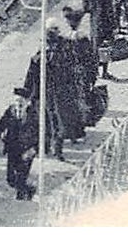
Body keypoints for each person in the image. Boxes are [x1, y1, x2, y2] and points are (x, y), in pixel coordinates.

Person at [23, 19, 82, 154]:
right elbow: (33, 72)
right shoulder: (43, 51)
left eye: (56, 30)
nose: (55, 33)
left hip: (60, 88)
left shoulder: (63, 46)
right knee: (48, 118)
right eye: (52, 30)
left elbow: (71, 65)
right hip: (47, 89)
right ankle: (49, 145)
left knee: (61, 117)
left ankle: (59, 145)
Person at [0, 86, 39, 200]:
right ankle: (29, 189)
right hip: (12, 148)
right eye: (16, 100)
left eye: (21, 101)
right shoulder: (10, 110)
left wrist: (34, 149)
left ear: (27, 101)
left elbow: (43, 133)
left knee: (21, 176)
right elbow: (0, 126)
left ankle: (20, 200)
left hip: (27, 150)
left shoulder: (34, 113)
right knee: (11, 179)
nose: (18, 103)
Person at [83, 0, 119, 80]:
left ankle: (95, 72)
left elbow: (86, 9)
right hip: (105, 24)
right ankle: (104, 72)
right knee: (105, 49)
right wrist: (114, 25)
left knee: (95, 49)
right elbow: (109, 10)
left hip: (94, 24)